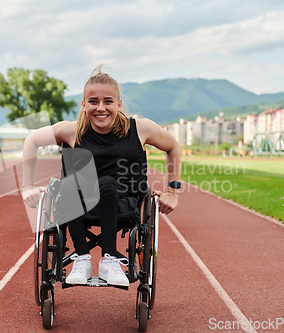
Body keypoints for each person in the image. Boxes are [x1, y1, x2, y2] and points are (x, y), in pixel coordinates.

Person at [22, 65, 181, 287]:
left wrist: (172, 192)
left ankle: (109, 259)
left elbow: (173, 147)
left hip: (124, 205)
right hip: (77, 206)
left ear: (119, 104)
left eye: (108, 101)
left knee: (107, 183)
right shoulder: (71, 130)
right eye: (93, 101)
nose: (101, 108)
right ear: (84, 104)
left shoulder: (140, 129)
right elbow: (31, 141)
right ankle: (82, 259)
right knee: (67, 184)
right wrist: (27, 186)